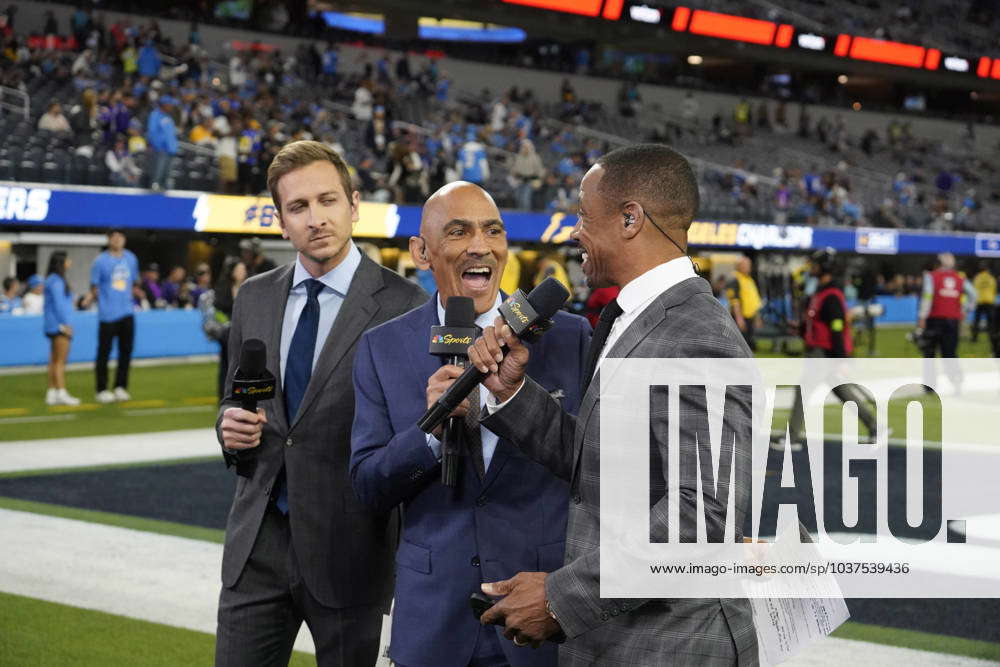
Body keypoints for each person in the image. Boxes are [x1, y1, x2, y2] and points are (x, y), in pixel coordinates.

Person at [466, 144, 758, 664]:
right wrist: (512, 393)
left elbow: (707, 514)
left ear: (630, 219)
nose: (574, 231)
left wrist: (561, 599)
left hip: (669, 645)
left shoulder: (696, 333)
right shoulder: (636, 316)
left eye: (583, 215)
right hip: (622, 636)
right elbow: (598, 465)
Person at [350, 182, 591, 667]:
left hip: (541, 617)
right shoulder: (383, 347)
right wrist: (428, 436)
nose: (480, 245)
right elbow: (368, 487)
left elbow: (594, 467)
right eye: (459, 232)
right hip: (434, 620)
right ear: (422, 252)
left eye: (492, 230)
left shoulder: (570, 337)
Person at [214, 140, 427, 667]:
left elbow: (414, 438)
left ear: (354, 206)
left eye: (328, 201)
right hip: (256, 545)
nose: (316, 219)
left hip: (351, 547)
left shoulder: (406, 306)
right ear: (281, 221)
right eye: (299, 207)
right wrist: (228, 426)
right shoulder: (254, 297)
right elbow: (231, 399)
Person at [790, 248, 877, 441]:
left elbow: (837, 327)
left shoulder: (831, 295)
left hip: (824, 352)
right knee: (841, 389)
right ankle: (875, 426)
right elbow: (820, 323)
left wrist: (841, 359)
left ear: (824, 267)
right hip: (819, 349)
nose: (811, 267)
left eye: (815, 264)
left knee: (802, 389)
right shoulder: (820, 292)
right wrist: (802, 329)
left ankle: (792, 437)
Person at [86, 228, 139, 404]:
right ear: (109, 240)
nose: (117, 240)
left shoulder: (131, 258)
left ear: (124, 239)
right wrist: (94, 300)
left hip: (127, 312)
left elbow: (133, 283)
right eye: (113, 237)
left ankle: (120, 387)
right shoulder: (100, 261)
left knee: (126, 352)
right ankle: (101, 389)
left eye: (120, 237)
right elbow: (94, 286)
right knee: (104, 353)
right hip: (107, 314)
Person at [918, 252, 976, 390]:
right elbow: (973, 295)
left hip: (934, 319)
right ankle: (956, 381)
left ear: (938, 263)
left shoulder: (931, 276)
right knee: (949, 352)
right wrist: (965, 311)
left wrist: (922, 316)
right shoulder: (960, 279)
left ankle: (929, 386)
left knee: (930, 353)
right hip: (953, 321)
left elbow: (927, 296)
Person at [200, 257, 246, 400]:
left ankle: (240, 393)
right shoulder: (223, 289)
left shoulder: (248, 286)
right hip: (227, 332)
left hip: (242, 331)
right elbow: (218, 311)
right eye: (240, 269)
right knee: (228, 364)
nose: (243, 272)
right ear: (232, 272)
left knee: (241, 365)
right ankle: (225, 394)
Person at [43, 252, 80, 406]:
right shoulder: (57, 281)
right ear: (61, 262)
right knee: (60, 361)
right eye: (67, 259)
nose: (70, 262)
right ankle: (61, 392)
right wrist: (66, 325)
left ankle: (51, 393)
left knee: (54, 360)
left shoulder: (51, 279)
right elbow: (59, 305)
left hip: (53, 324)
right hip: (59, 325)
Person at [725, 255, 763, 351]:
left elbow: (755, 300)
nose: (749, 267)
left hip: (750, 317)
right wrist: (739, 319)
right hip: (741, 317)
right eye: (746, 265)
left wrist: (757, 317)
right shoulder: (734, 278)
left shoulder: (749, 279)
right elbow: (734, 301)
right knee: (740, 345)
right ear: (739, 266)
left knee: (748, 345)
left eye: (749, 265)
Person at [147, 95, 178, 190]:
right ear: (164, 105)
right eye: (170, 105)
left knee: (166, 175)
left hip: (170, 150)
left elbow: (171, 134)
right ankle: (154, 192)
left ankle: (164, 193)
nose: (171, 107)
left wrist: (174, 147)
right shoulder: (155, 115)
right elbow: (151, 132)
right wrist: (158, 146)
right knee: (157, 174)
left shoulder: (168, 117)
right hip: (160, 150)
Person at [971, 262, 996, 342]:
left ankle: (974, 338)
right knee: (991, 322)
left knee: (976, 321)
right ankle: (991, 337)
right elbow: (994, 289)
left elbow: (974, 289)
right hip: (989, 301)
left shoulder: (977, 278)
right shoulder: (991, 278)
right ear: (987, 269)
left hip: (980, 301)